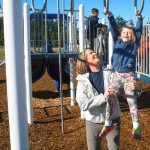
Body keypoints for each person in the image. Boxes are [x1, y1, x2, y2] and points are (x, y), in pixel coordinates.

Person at [76, 49, 138, 150]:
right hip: (93, 122)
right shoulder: (82, 80)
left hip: (113, 120)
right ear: (86, 61)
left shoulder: (111, 73)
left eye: (94, 51)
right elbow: (83, 104)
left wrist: (134, 88)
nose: (95, 53)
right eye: (91, 53)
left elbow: (125, 92)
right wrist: (103, 97)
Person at [99, 9, 143, 140]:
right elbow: (113, 29)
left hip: (129, 75)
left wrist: (139, 19)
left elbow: (139, 31)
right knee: (110, 98)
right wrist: (111, 15)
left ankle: (136, 126)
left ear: (133, 36)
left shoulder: (134, 44)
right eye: (124, 32)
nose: (126, 34)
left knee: (131, 100)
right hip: (117, 75)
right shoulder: (117, 41)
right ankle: (108, 123)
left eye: (130, 33)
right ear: (120, 34)